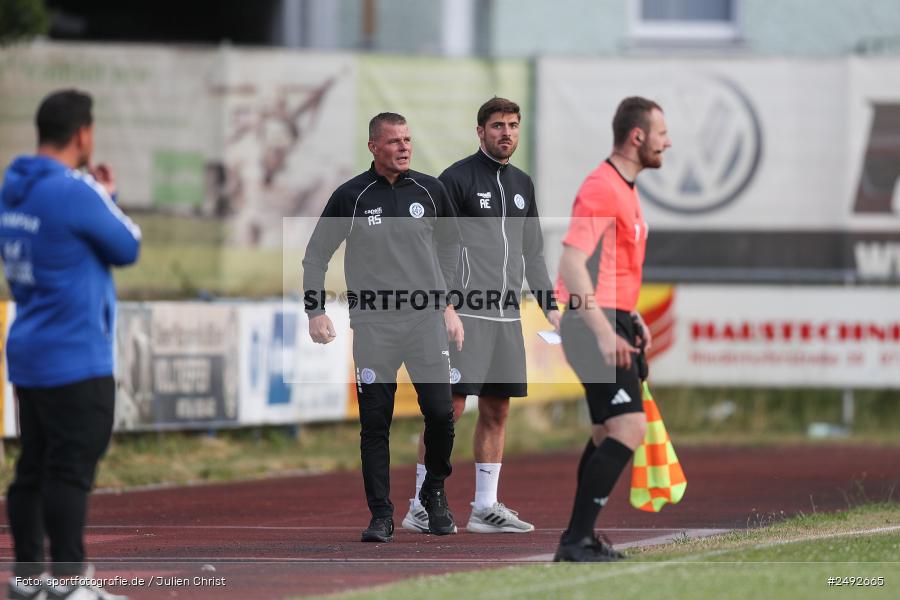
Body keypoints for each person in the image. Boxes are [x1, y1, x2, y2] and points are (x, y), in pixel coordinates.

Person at [1, 89, 141, 599]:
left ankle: (28, 580)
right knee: (69, 471)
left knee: (32, 469)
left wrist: (97, 198)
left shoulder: (13, 188)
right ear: (83, 134)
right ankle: (67, 585)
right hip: (76, 354)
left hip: (29, 349)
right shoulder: (74, 190)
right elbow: (127, 245)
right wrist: (106, 195)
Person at [302, 112, 463, 543]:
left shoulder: (432, 190)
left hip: (425, 321)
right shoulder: (351, 196)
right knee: (376, 423)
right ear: (374, 146)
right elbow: (316, 254)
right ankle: (381, 515)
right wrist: (315, 310)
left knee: (442, 413)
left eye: (408, 139)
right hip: (374, 326)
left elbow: (450, 248)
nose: (404, 147)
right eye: (394, 141)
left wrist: (447, 302)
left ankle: (433, 492)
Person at [402, 97, 559, 535]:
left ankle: (484, 507)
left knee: (497, 411)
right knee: (446, 409)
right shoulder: (455, 179)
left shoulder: (524, 183)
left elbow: (534, 254)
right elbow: (433, 249)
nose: (506, 133)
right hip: (464, 315)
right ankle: (418, 504)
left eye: (512, 125)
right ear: (480, 131)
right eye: (497, 126)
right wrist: (445, 305)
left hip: (507, 319)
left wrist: (552, 308)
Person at [554, 97, 671, 562]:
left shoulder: (626, 187)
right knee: (628, 427)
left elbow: (613, 269)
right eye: (662, 133)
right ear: (637, 136)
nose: (668, 141)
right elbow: (571, 263)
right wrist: (605, 331)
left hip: (610, 315)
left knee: (607, 432)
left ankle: (579, 537)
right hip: (590, 323)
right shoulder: (601, 187)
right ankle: (575, 541)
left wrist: (630, 314)